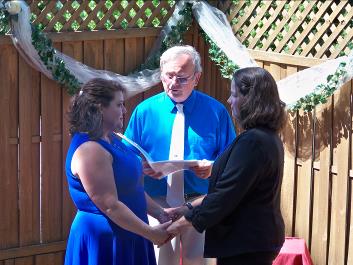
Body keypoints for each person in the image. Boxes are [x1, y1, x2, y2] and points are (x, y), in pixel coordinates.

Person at [124, 45, 236, 265]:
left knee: (201, 262)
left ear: (197, 78)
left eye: (182, 78)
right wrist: (142, 167)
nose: (174, 84)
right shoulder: (144, 111)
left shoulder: (216, 112)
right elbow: (127, 157)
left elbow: (231, 161)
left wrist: (212, 168)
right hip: (157, 204)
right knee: (160, 262)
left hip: (200, 204)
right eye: (169, 76)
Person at [166, 67, 286, 265]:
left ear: (250, 99)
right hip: (252, 241)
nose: (229, 101)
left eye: (234, 94)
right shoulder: (266, 137)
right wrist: (185, 208)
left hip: (247, 244)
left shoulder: (253, 142)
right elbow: (230, 189)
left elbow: (225, 196)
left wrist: (175, 227)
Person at [64, 78, 171, 265]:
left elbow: (130, 188)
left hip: (131, 230)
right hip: (105, 239)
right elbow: (109, 206)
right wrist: (151, 233)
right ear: (99, 108)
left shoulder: (112, 139)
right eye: (119, 105)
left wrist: (159, 212)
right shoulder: (90, 150)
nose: (124, 111)